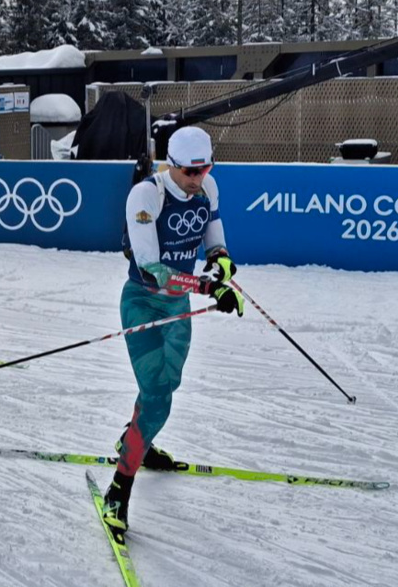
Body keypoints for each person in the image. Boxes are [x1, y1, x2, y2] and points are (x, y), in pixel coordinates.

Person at [103, 126, 245, 533]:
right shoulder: (147, 195)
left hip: (177, 307)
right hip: (144, 303)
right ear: (172, 165)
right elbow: (153, 269)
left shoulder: (208, 188)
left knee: (169, 384)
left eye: (205, 170)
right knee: (157, 396)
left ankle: (134, 441)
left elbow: (215, 242)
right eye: (191, 172)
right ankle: (119, 488)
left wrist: (221, 266)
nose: (199, 179)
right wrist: (206, 287)